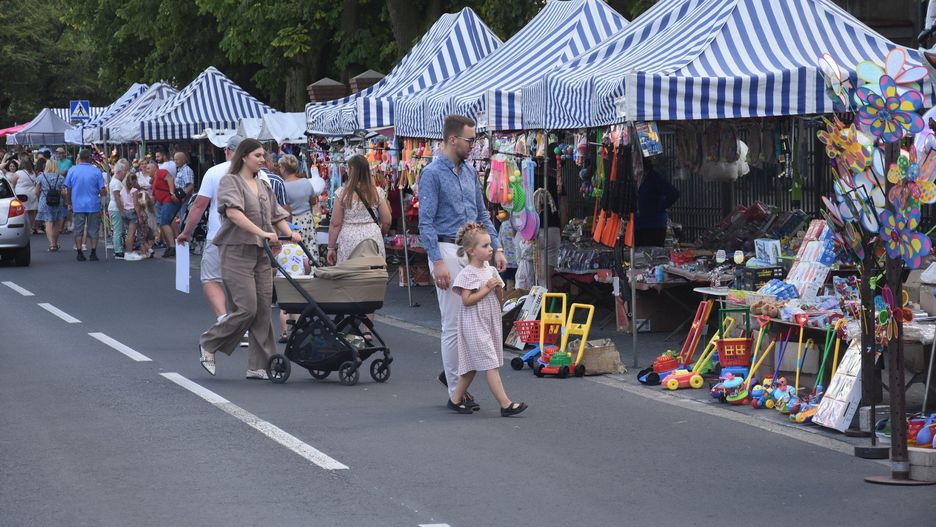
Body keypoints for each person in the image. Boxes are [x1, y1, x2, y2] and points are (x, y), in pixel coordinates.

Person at [418, 114, 506, 405]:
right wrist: (437, 262)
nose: (473, 145)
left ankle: (455, 377)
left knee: (475, 319)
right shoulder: (431, 174)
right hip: (447, 248)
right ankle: (455, 389)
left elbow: (482, 214)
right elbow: (426, 222)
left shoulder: (469, 172)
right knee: (455, 321)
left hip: (473, 251)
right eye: (470, 140)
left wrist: (498, 246)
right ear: (452, 139)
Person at [197, 138, 299, 380]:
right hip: (236, 251)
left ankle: (259, 365)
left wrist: (290, 232)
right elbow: (233, 213)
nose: (263, 159)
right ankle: (209, 343)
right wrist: (261, 232)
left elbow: (276, 216)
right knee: (247, 308)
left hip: (261, 253)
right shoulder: (230, 182)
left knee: (263, 310)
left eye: (264, 155)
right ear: (243, 156)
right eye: (258, 155)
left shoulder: (263, 185)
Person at [448, 223, 527, 416]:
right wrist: (486, 289)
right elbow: (466, 301)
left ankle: (455, 399)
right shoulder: (467, 273)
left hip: (489, 320)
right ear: (471, 251)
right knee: (491, 364)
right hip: (474, 323)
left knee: (471, 367)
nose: (490, 249)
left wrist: (498, 289)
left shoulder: (490, 270)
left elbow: (499, 298)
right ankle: (505, 404)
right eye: (485, 246)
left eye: (490, 245)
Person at [177, 135, 243, 319]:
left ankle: (224, 319)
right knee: (243, 282)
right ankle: (243, 322)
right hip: (251, 236)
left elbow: (199, 205)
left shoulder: (215, 172)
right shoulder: (260, 174)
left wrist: (186, 232)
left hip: (218, 234)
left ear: (227, 151)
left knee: (211, 278)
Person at [326, 154, 390, 266]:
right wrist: (381, 232)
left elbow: (335, 224)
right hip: (372, 237)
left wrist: (331, 248)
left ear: (351, 171)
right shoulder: (377, 192)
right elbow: (387, 220)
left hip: (349, 239)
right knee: (374, 272)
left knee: (350, 274)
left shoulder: (342, 193)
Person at [64, 149, 105, 261]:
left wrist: (68, 203)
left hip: (78, 204)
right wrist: (103, 202)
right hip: (93, 204)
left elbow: (68, 188)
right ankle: (93, 252)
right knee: (93, 229)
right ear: (90, 158)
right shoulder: (96, 171)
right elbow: (102, 189)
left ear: (80, 158)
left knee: (78, 229)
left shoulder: (72, 170)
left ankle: (79, 252)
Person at [281, 153, 325, 248]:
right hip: (308, 219)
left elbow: (286, 210)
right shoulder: (306, 182)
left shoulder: (283, 186)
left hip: (293, 222)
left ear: (284, 168)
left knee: (296, 250)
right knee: (310, 247)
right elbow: (313, 201)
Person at [634, 158, 679, 247]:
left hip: (654, 225)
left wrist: (659, 207)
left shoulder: (655, 178)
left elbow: (674, 193)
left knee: (652, 253)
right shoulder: (637, 179)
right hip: (639, 224)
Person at [149, 158, 181, 257]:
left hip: (169, 200)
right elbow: (153, 198)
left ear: (155, 168)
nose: (146, 170)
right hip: (164, 202)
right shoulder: (154, 181)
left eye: (148, 168)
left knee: (164, 223)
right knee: (166, 222)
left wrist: (172, 193)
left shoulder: (160, 172)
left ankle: (172, 246)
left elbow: (169, 178)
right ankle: (171, 245)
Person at [34, 157, 66, 251]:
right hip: (57, 201)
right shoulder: (60, 177)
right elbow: (64, 192)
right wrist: (65, 201)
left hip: (45, 200)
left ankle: (52, 244)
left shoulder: (41, 176)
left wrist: (40, 197)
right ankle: (55, 243)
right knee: (56, 222)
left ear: (46, 166)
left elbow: (36, 191)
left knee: (48, 222)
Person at [107, 159, 130, 259]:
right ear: (119, 172)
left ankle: (118, 248)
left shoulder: (115, 181)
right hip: (116, 208)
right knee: (118, 229)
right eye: (124, 171)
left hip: (115, 207)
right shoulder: (116, 183)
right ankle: (118, 250)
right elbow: (117, 197)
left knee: (118, 229)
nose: (125, 174)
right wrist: (121, 210)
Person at [10, 156, 39, 232]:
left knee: (23, 212)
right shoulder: (33, 173)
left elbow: (13, 184)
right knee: (32, 212)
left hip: (21, 194)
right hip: (32, 194)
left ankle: (25, 228)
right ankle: (31, 227)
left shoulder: (17, 173)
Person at [120, 172, 145, 260]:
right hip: (132, 212)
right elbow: (136, 204)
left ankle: (128, 251)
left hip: (124, 212)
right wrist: (139, 216)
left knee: (128, 233)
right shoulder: (134, 190)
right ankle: (129, 252)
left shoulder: (122, 190)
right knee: (131, 234)